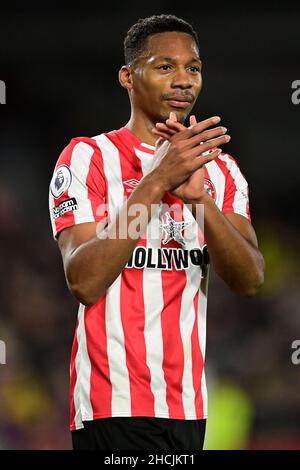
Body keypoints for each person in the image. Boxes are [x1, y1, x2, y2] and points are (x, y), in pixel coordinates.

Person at [48, 14, 264, 450]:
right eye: (165, 67)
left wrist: (200, 202)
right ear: (129, 76)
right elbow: (84, 280)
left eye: (193, 68)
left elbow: (250, 279)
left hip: (188, 407)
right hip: (113, 406)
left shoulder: (220, 170)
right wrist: (156, 182)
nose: (183, 80)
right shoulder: (88, 158)